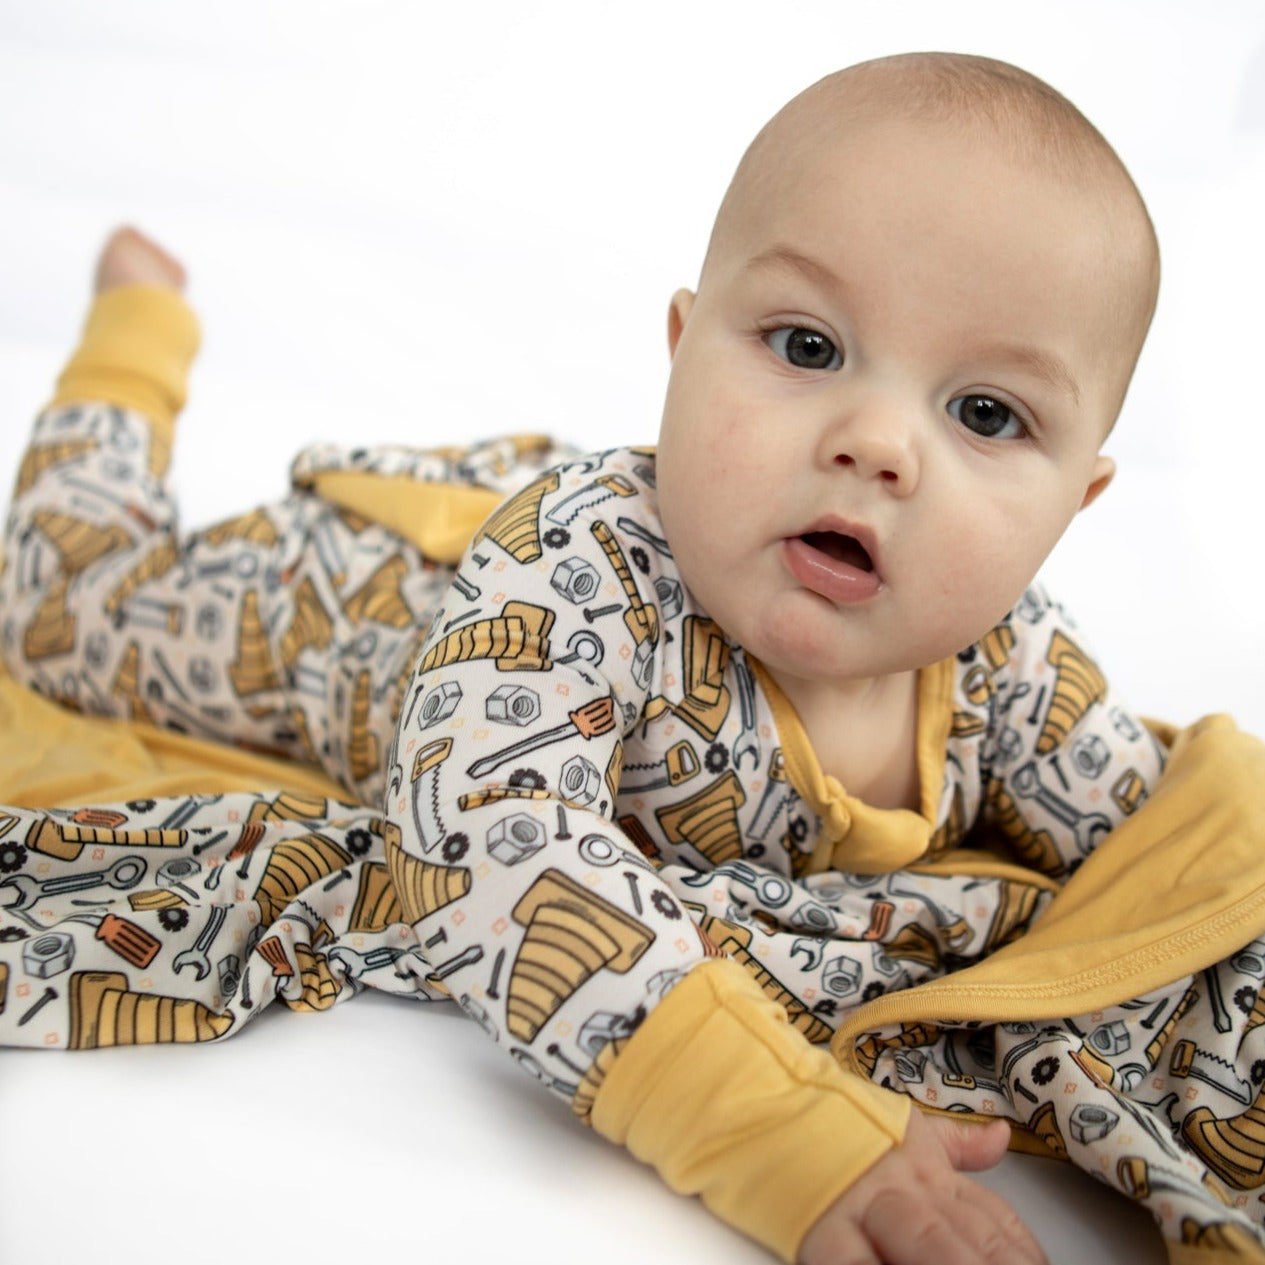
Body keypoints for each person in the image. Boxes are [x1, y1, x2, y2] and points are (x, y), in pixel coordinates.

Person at [4, 51, 1265, 1265]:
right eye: (806, 346)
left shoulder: (1013, 661)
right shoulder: (583, 568)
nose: (877, 441)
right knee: (54, 606)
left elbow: (1179, 848)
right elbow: (492, 847)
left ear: (1074, 500)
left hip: (557, 533)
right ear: (682, 344)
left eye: (985, 412)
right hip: (328, 608)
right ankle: (134, 330)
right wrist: (773, 1123)